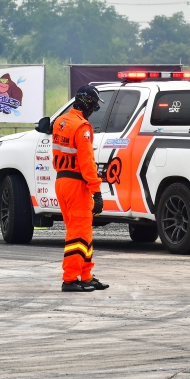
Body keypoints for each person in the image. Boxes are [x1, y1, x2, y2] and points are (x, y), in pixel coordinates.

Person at [53, 85, 109, 292]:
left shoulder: (61, 121)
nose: (94, 109)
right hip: (77, 185)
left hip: (62, 182)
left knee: (81, 232)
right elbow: (87, 163)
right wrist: (96, 191)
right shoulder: (82, 127)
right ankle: (70, 279)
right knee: (79, 234)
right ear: (87, 103)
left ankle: (86, 275)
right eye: (94, 105)